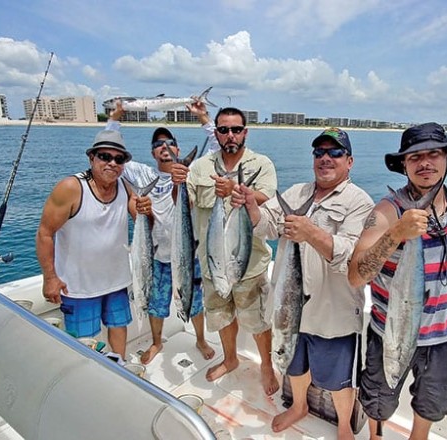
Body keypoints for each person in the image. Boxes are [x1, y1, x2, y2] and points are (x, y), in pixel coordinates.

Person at [231, 128, 374, 439]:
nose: (325, 158)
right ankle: (298, 406)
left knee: (339, 378)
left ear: (349, 161)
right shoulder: (296, 193)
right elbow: (266, 225)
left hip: (332, 310)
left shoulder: (359, 202)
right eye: (319, 153)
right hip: (289, 306)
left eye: (335, 153)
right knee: (293, 365)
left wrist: (311, 233)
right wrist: (250, 206)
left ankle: (345, 426)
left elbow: (351, 254)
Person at [347, 122, 447, 440]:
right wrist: (396, 234)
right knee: (377, 399)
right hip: (388, 331)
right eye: (415, 157)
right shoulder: (387, 212)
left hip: (441, 334)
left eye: (433, 154)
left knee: (433, 402)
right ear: (404, 165)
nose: (425, 163)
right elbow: (355, 276)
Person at [105, 102, 216, 364]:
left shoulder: (192, 170)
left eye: (169, 143)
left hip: (187, 252)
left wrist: (202, 116)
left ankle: (200, 339)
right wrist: (115, 118)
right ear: (153, 153)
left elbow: (216, 147)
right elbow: (113, 152)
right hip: (153, 253)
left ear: (177, 149)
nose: (164, 147)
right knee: (155, 302)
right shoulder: (142, 174)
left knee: (195, 300)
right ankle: (157, 342)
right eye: (158, 144)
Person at [186, 103, 280, 395]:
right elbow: (186, 200)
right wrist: (174, 177)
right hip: (212, 263)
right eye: (224, 130)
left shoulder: (261, 163)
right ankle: (230, 358)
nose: (231, 135)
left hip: (248, 264)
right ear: (216, 132)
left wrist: (239, 192)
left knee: (258, 319)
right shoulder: (200, 167)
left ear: (245, 132)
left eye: (236, 130)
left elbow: (268, 198)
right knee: (221, 314)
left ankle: (266, 364)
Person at [36, 129, 152, 361]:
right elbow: (45, 233)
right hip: (78, 287)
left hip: (117, 281)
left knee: (119, 327)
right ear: (91, 158)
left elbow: (144, 224)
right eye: (104, 157)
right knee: (84, 343)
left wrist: (146, 211)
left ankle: (120, 367)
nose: (112, 163)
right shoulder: (70, 188)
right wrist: (50, 278)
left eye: (119, 159)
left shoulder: (126, 187)